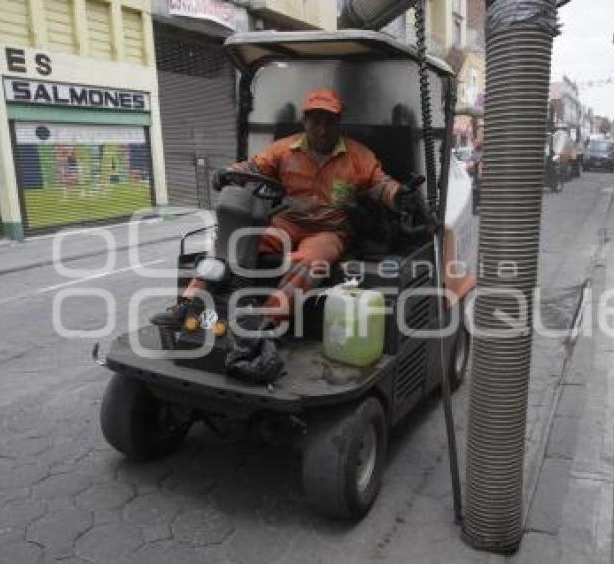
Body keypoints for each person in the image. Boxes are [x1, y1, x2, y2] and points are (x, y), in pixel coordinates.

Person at [151, 89, 426, 382]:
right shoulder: (284, 150)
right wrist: (229, 173)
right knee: (231, 238)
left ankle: (266, 319)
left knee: (311, 260)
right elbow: (253, 167)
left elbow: (381, 184)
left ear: (338, 124)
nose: (322, 128)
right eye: (315, 120)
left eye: (329, 121)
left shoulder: (358, 157)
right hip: (285, 223)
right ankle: (189, 303)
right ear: (305, 122)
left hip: (329, 230)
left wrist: (401, 197)